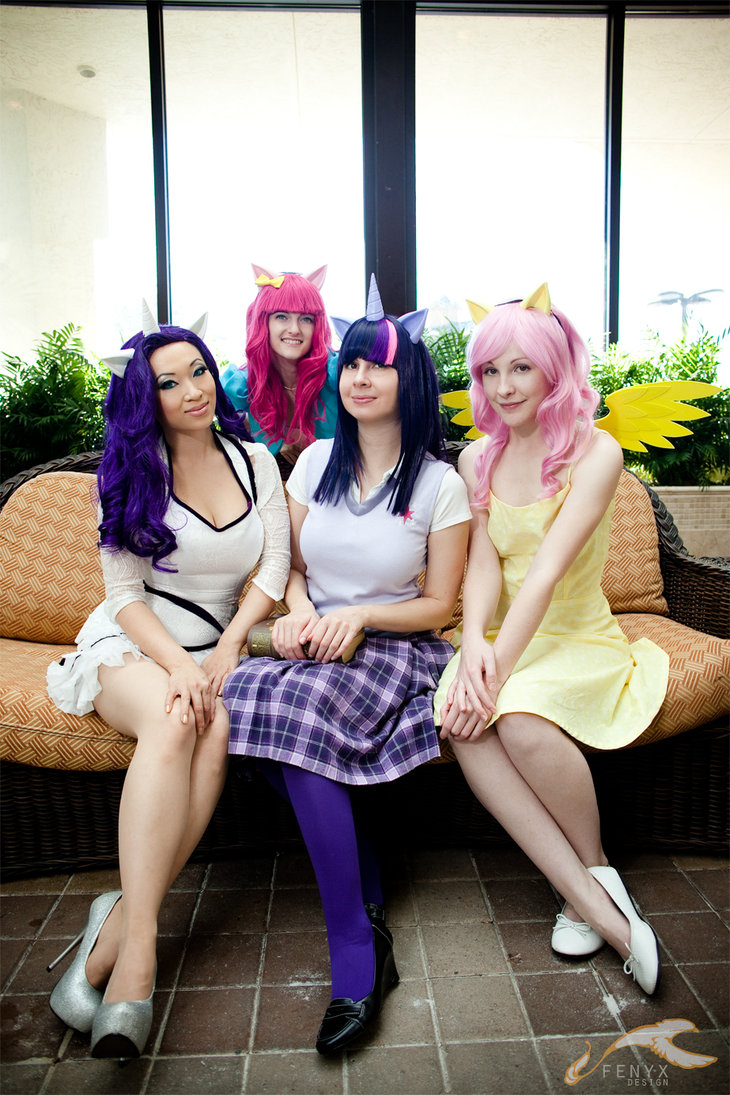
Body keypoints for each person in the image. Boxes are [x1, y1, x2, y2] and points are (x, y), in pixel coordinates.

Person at [222, 275, 472, 1053]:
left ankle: (356, 954)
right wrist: (301, 610)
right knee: (232, 700)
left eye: (379, 365)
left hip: (394, 648)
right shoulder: (315, 463)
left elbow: (441, 605)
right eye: (353, 363)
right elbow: (288, 566)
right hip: (310, 641)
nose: (359, 376)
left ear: (410, 380)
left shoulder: (439, 483)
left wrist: (359, 616)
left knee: (298, 714)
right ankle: (367, 885)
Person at [45, 304, 290, 1058]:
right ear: (143, 397)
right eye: (169, 382)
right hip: (132, 644)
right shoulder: (129, 473)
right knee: (180, 715)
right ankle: (138, 957)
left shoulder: (256, 461)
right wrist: (183, 665)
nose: (193, 390)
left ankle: (113, 926)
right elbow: (124, 596)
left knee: (213, 723)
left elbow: (275, 566)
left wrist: (228, 645)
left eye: (199, 371)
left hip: (213, 650)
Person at [436, 284, 669, 997]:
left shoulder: (596, 453)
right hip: (500, 633)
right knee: (462, 722)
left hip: (573, 631)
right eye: (489, 371)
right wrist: (475, 645)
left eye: (521, 368)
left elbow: (542, 576)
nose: (503, 387)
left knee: (519, 719)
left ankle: (589, 879)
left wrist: (492, 674)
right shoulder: (477, 459)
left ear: (555, 369)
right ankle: (598, 901)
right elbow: (483, 564)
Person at [222, 264, 338, 463]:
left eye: (306, 319)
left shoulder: (337, 375)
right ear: (263, 321)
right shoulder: (239, 385)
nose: (294, 329)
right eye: (282, 317)